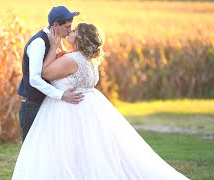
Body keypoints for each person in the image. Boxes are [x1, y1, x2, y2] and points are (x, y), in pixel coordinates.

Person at [12, 23, 189, 179]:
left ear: (79, 38)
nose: (70, 31)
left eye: (74, 30)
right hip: (88, 106)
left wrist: (53, 47)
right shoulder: (88, 59)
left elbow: (45, 73)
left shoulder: (72, 60)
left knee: (63, 152)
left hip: (69, 108)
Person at [17, 6, 83, 142]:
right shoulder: (39, 43)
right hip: (32, 106)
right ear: (55, 25)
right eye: (67, 27)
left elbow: (62, 58)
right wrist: (61, 95)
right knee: (32, 149)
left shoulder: (55, 39)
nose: (70, 30)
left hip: (46, 104)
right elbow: (34, 79)